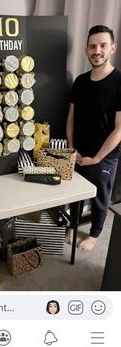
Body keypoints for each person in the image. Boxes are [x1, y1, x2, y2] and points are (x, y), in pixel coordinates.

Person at [65, 25, 121, 251]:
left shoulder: (119, 82)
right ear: (85, 50)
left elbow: (119, 129)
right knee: (75, 194)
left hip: (104, 157)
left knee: (99, 196)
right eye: (92, 46)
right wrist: (71, 148)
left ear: (112, 48)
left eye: (102, 45)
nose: (97, 50)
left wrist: (97, 158)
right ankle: (73, 224)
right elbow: (71, 118)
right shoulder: (79, 81)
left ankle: (95, 234)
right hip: (78, 152)